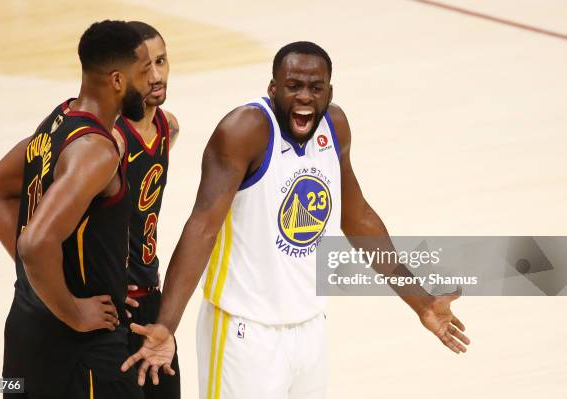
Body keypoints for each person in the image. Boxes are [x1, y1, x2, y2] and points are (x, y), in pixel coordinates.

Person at [122, 41, 471, 399]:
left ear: (329, 92)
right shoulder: (244, 131)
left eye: (315, 88)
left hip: (310, 330)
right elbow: (202, 228)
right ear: (273, 89)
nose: (305, 96)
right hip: (244, 334)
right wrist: (166, 325)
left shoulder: (335, 126)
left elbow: (358, 217)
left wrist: (421, 301)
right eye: (293, 87)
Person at [0, 20, 161, 398]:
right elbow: (35, 245)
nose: (150, 83)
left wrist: (37, 279)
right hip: (80, 347)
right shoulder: (95, 151)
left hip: (26, 328)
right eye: (143, 72)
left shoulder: (57, 121)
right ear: (117, 80)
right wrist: (74, 310)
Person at [113, 21, 181, 398]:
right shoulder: (112, 141)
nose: (156, 76)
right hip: (115, 306)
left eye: (162, 61)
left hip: (151, 297)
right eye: (144, 68)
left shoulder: (167, 126)